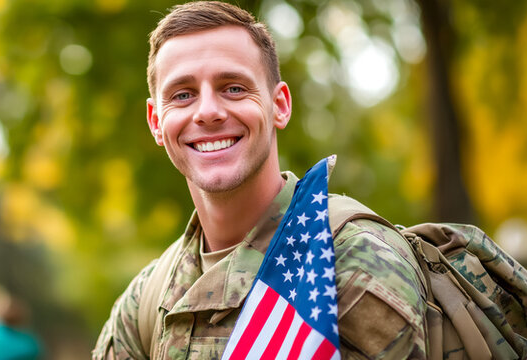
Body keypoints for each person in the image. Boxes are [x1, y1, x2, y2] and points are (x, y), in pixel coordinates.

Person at [92, 2, 426, 359]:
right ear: (156, 121)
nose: (207, 112)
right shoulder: (145, 301)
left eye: (233, 87)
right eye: (183, 95)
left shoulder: (351, 260)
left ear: (279, 105)